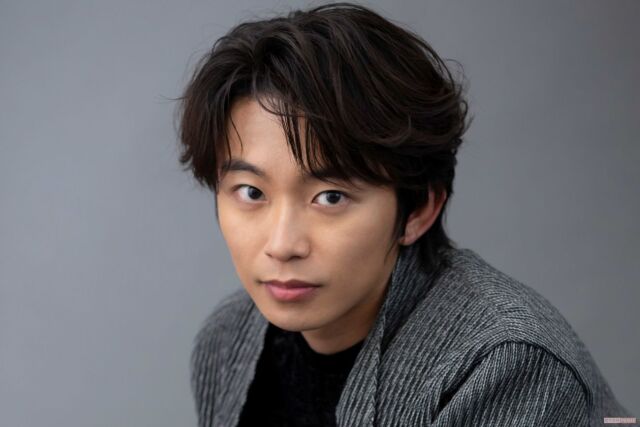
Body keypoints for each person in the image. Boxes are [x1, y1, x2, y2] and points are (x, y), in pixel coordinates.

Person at [177, 3, 632, 426]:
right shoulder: (228, 338)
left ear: (419, 209)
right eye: (251, 192)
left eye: (331, 197)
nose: (282, 245)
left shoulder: (504, 365)